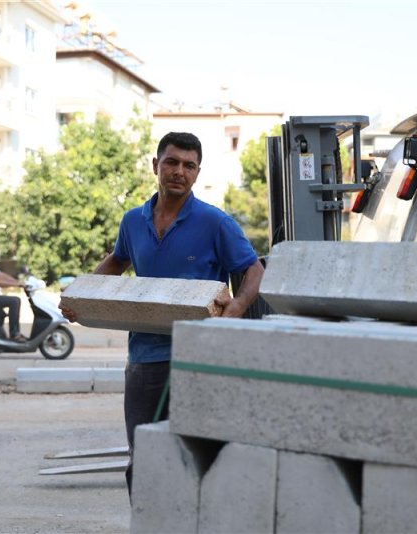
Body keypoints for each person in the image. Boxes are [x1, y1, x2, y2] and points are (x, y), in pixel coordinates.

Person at [60, 131, 264, 495]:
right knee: (144, 460)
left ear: (197, 173)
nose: (179, 172)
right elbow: (117, 261)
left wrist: (234, 311)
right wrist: (82, 295)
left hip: (200, 360)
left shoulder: (215, 222)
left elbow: (253, 270)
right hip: (145, 360)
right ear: (156, 165)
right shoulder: (132, 222)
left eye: (189, 165)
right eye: (171, 162)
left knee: (198, 461)